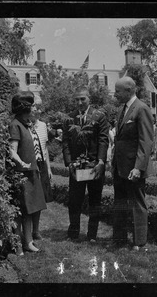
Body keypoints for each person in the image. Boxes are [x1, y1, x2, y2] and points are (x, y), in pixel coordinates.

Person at [62, 86, 109, 243]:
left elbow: (103, 139)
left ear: (89, 99)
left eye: (83, 99)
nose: (79, 102)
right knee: (74, 201)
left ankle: (92, 235)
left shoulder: (99, 116)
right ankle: (73, 233)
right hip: (76, 166)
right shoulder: (69, 118)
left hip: (95, 165)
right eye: (76, 99)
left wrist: (101, 161)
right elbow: (66, 142)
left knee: (95, 201)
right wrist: (69, 163)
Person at [112, 76, 154, 251]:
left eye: (118, 91)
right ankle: (120, 239)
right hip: (120, 166)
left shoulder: (141, 108)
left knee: (137, 204)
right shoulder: (123, 109)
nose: (115, 94)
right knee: (120, 202)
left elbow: (146, 141)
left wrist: (138, 167)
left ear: (129, 91)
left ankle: (139, 242)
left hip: (133, 167)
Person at [9, 91, 47, 254]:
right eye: (31, 107)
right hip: (21, 174)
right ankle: (18, 245)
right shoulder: (15, 125)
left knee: (30, 210)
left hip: (31, 173)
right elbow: (12, 151)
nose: (34, 110)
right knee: (19, 212)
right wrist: (21, 162)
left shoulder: (26, 125)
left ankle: (28, 242)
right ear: (24, 109)